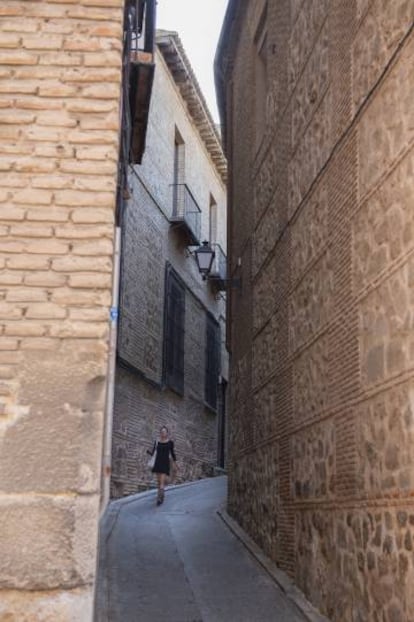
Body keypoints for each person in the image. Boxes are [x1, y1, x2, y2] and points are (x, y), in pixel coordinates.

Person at [147, 426, 177, 506]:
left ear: (167, 433)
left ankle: (159, 498)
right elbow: (154, 452)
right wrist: (149, 452)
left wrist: (175, 463)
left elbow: (172, 453)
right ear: (160, 433)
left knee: (162, 481)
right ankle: (161, 495)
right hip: (157, 463)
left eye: (164, 432)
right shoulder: (157, 441)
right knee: (159, 481)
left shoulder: (170, 443)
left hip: (165, 463)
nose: (163, 433)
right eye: (161, 432)